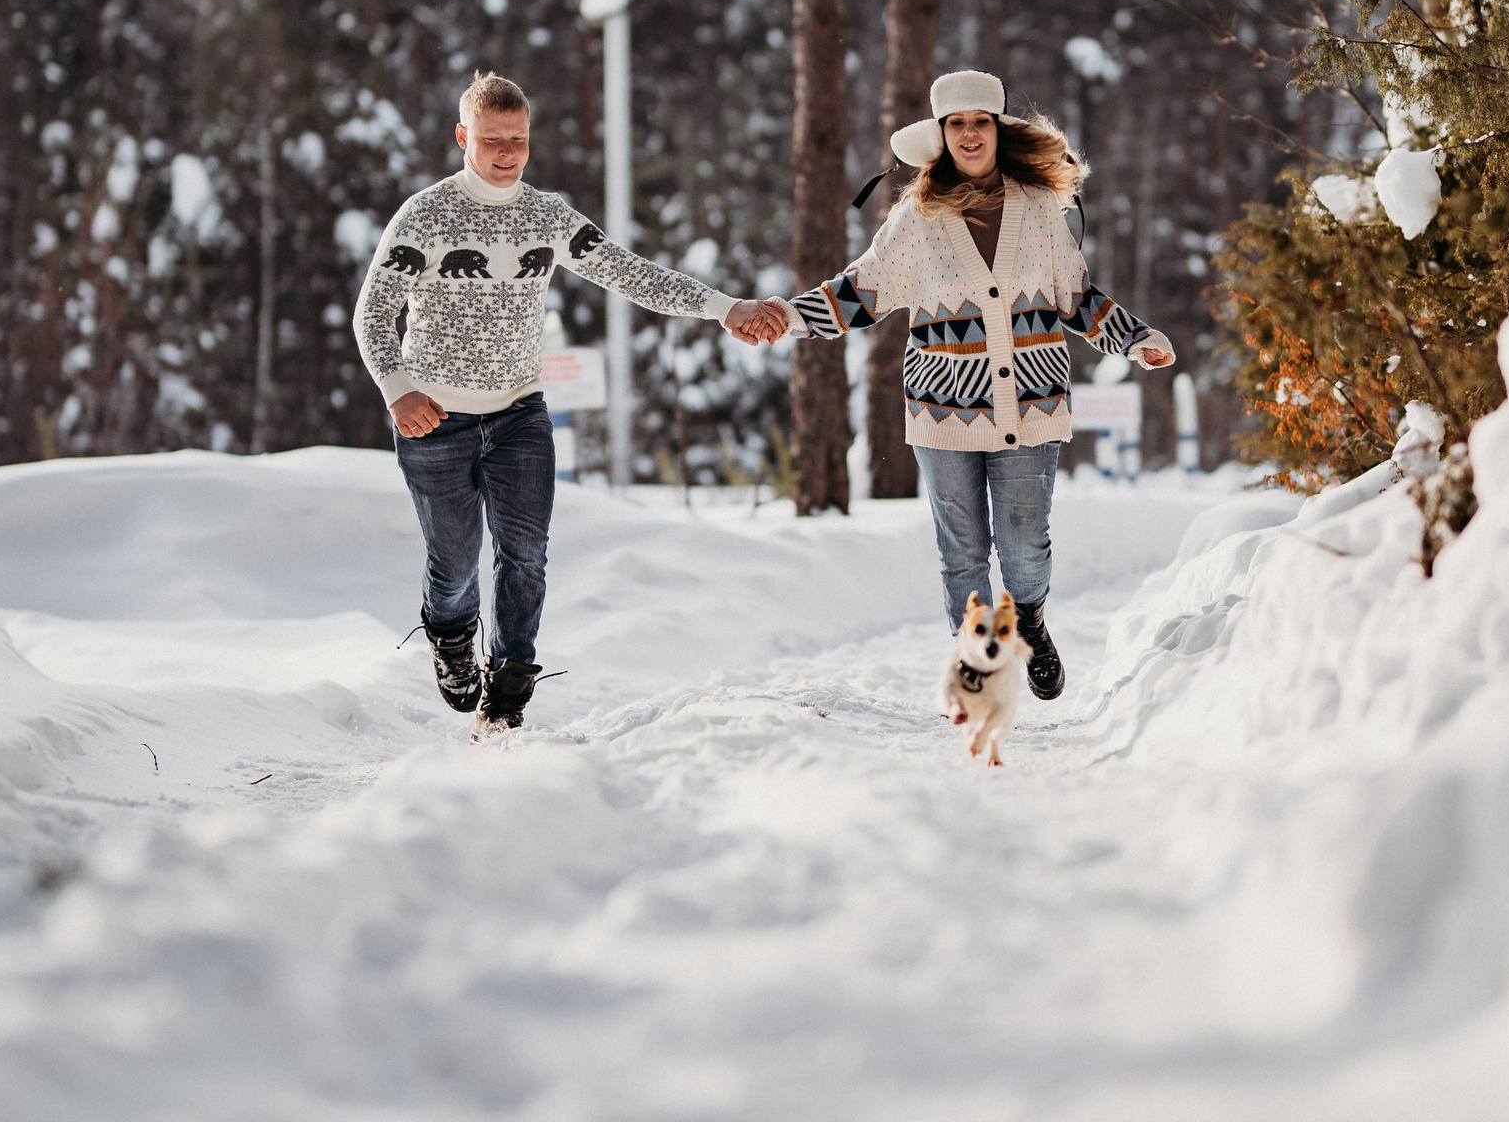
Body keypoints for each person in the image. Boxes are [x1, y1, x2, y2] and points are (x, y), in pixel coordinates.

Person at [353, 72, 787, 737]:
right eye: (492, 140)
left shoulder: (546, 216)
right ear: (463, 137)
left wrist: (725, 307)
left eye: (518, 140)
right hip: (434, 418)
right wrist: (397, 388)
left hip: (520, 414)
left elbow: (630, 272)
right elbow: (373, 312)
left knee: (525, 553)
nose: (507, 153)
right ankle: (449, 633)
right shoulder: (426, 215)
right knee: (455, 561)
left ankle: (508, 693)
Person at [772, 69, 1172, 700]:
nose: (969, 134)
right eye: (955, 124)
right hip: (943, 409)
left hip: (1031, 403)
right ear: (941, 135)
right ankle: (979, 659)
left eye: (979, 121)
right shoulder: (915, 219)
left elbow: (1076, 297)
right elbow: (860, 292)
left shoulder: (1040, 209)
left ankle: (1030, 621)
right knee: (962, 551)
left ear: (997, 129)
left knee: (1024, 546)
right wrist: (786, 316)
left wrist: (1133, 337)